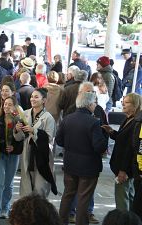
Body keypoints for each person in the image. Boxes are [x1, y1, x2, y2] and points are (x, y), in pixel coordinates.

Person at [56, 92, 109, 225]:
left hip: (70, 164)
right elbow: (99, 147)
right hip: (88, 167)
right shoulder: (93, 122)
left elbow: (59, 141)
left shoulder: (67, 118)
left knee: (68, 195)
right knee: (83, 199)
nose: (95, 105)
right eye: (94, 103)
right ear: (90, 104)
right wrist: (105, 137)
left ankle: (62, 222)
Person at [13, 88, 57, 197]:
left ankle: (39, 211)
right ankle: (27, 211)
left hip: (41, 155)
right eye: (32, 96)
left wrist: (34, 131)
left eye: (36, 97)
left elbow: (49, 138)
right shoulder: (25, 114)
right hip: (27, 153)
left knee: (40, 186)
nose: (33, 99)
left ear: (44, 100)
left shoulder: (48, 118)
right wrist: (17, 130)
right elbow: (19, 138)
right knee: (26, 185)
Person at [102, 93, 141, 211]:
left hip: (125, 168)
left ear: (135, 105)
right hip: (122, 167)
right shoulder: (128, 119)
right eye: (124, 101)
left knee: (122, 200)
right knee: (129, 195)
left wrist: (123, 170)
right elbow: (122, 140)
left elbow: (130, 149)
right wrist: (112, 132)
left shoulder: (136, 123)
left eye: (127, 102)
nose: (123, 104)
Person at [0, 96, 23, 220]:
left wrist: (14, 147)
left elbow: (22, 139)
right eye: (5, 104)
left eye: (9, 104)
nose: (6, 107)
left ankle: (5, 208)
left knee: (8, 183)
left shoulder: (19, 119)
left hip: (13, 156)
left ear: (15, 106)